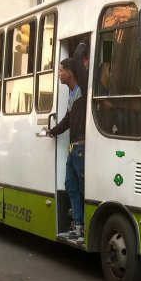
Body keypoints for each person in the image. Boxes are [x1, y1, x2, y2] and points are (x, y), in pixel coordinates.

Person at [47, 54, 87, 242]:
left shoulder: (83, 91)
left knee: (81, 187)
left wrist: (82, 45)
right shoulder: (72, 94)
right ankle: (78, 226)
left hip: (81, 148)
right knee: (71, 187)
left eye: (61, 71)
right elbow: (67, 120)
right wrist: (51, 131)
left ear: (70, 73)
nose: (59, 74)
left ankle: (84, 226)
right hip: (73, 149)